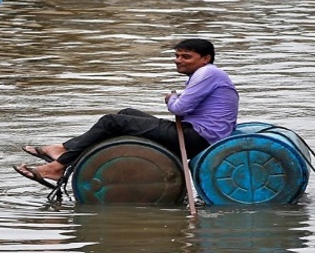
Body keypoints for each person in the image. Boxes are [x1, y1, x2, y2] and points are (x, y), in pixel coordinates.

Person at [14, 38, 239, 189]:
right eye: (177, 55)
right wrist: (178, 99)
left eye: (186, 57)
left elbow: (179, 108)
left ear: (206, 58)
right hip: (193, 133)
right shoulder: (207, 74)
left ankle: (57, 166)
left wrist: (171, 98)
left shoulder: (208, 73)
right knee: (126, 113)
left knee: (112, 121)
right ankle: (64, 149)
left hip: (196, 139)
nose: (178, 60)